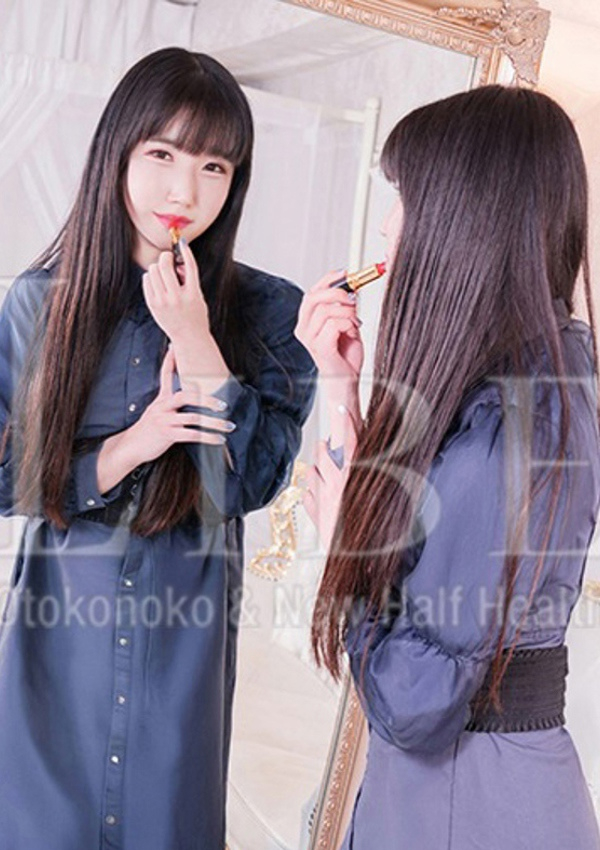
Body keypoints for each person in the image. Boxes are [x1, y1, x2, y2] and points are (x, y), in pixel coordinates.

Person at [0, 47, 316, 849]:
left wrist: (196, 339)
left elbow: (253, 482)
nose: (185, 192)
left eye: (214, 167)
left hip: (184, 645)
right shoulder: (39, 304)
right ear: (119, 152)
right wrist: (129, 447)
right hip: (55, 639)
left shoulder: (269, 311)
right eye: (163, 155)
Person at [295, 85, 600, 849]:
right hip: (466, 789)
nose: (388, 225)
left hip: (472, 799)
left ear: (466, 215)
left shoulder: (514, 428)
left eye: (403, 197)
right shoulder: (530, 380)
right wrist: (339, 385)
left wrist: (343, 544)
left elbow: (416, 699)